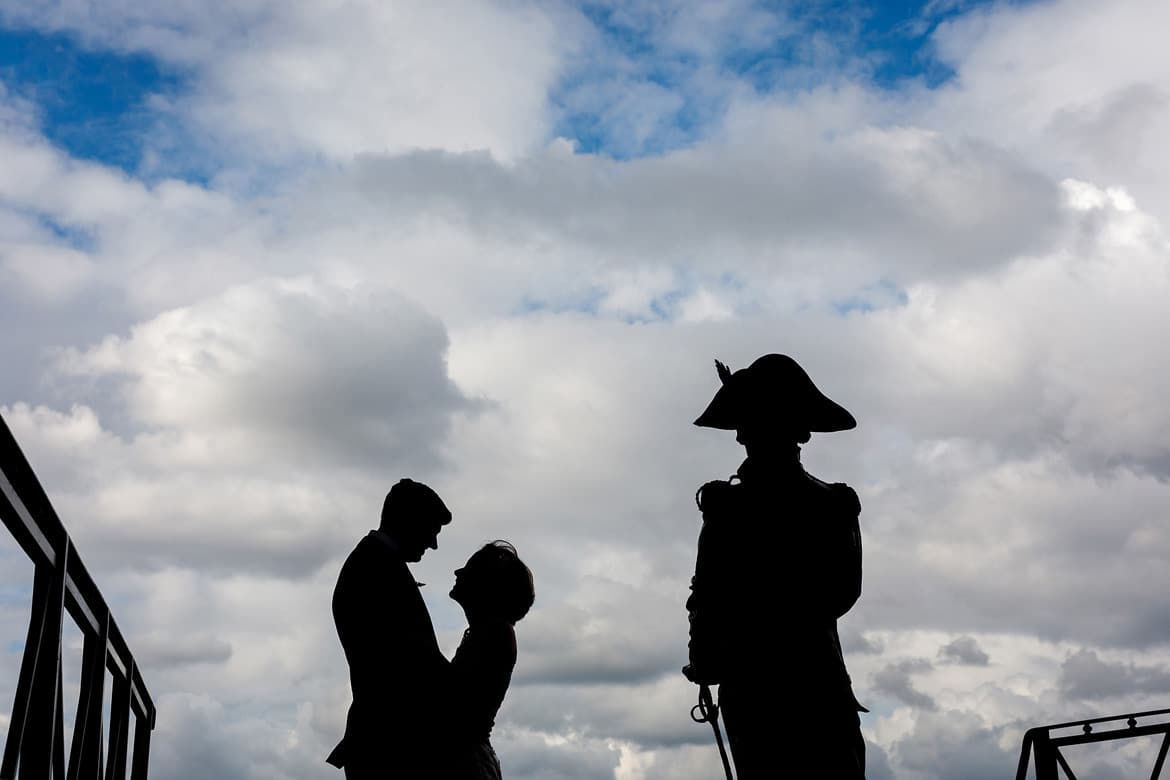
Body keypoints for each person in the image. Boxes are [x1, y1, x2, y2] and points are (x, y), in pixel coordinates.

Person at [683, 354, 867, 778]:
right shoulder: (835, 504)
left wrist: (707, 655)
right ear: (800, 431)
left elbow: (706, 596)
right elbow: (843, 593)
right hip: (819, 680)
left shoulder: (726, 508)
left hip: (755, 686)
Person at [327, 478, 453, 779]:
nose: (433, 544)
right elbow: (413, 657)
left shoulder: (375, 563)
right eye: (431, 531)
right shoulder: (376, 569)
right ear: (410, 520)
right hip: (390, 745)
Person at [444, 540, 535, 780]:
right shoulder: (488, 633)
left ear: (486, 585)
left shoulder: (494, 634)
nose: (458, 572)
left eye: (469, 570)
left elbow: (451, 699)